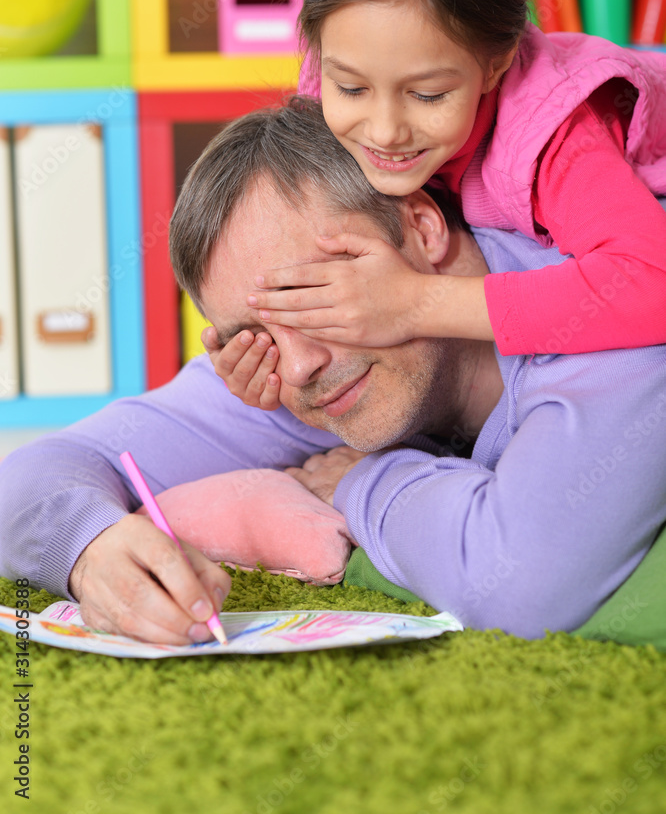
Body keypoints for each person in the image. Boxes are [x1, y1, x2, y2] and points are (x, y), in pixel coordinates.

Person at [1, 98, 665, 647]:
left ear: (424, 228)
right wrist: (88, 551)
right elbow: (32, 475)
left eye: (315, 302)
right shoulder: (278, 376)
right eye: (254, 334)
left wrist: (362, 480)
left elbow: (520, 584)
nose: (299, 366)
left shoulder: (604, 321)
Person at [222, 0, 666, 414]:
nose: (384, 130)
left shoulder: (557, 132)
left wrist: (414, 304)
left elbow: (653, 284)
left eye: (428, 94)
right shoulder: (336, 75)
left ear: (494, 66)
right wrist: (268, 350)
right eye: (352, 87)